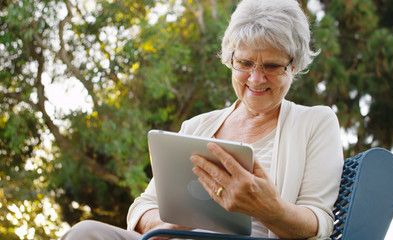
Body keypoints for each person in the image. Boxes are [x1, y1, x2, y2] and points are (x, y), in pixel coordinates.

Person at [61, 0, 343, 239]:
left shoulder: (315, 122)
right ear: (231, 60)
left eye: (271, 66)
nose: (256, 79)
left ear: (294, 66)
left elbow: (320, 221)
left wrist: (269, 208)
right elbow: (143, 206)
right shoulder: (197, 126)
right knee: (85, 233)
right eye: (245, 63)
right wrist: (168, 226)